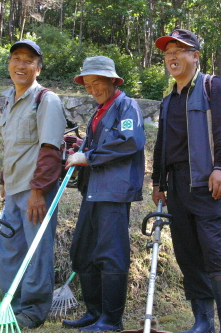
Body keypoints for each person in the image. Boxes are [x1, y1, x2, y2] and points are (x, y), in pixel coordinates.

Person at [151, 29, 221, 333]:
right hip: (175, 186)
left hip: (206, 183)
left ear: (195, 56)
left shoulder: (212, 86)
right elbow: (162, 144)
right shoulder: (167, 101)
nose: (172, 57)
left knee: (214, 252)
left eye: (179, 50)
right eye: (167, 52)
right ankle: (203, 320)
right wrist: (157, 182)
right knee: (187, 255)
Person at [62, 56, 145, 332]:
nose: (92, 88)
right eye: (87, 84)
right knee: (83, 251)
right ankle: (94, 312)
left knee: (111, 254)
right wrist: (79, 155)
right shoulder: (97, 112)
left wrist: (88, 157)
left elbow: (130, 141)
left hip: (114, 191)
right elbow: (91, 147)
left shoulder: (126, 106)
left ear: (112, 80)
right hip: (93, 191)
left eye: (97, 82)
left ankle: (111, 320)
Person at [0, 39, 67, 329]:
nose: (21, 65)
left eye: (28, 60)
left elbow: (50, 149)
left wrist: (38, 191)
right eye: (16, 58)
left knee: (37, 252)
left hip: (35, 191)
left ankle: (33, 311)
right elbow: (11, 146)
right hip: (13, 190)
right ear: (9, 64)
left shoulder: (46, 100)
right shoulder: (9, 100)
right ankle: (10, 306)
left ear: (38, 68)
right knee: (10, 249)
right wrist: (4, 181)